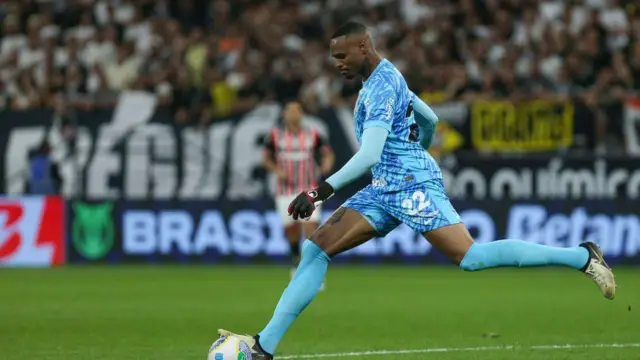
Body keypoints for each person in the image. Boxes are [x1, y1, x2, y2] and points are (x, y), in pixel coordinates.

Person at [215, 22, 616, 360]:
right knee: (316, 247)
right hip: (386, 185)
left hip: (409, 184)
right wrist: (415, 146)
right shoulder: (385, 75)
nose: (337, 64)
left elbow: (370, 153)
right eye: (333, 58)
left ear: (363, 47)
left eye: (342, 56)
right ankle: (262, 348)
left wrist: (320, 193)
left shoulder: (378, 89)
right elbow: (429, 117)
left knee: (470, 258)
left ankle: (582, 256)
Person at [263, 101, 335, 285]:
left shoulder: (312, 134)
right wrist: (277, 171)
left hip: (309, 188)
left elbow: (327, 153)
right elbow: (265, 159)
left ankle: (313, 272)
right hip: (285, 189)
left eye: (297, 110)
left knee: (311, 229)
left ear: (301, 114)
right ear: (284, 115)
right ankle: (296, 258)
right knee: (291, 230)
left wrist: (326, 163)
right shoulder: (275, 135)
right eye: (290, 110)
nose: (294, 114)